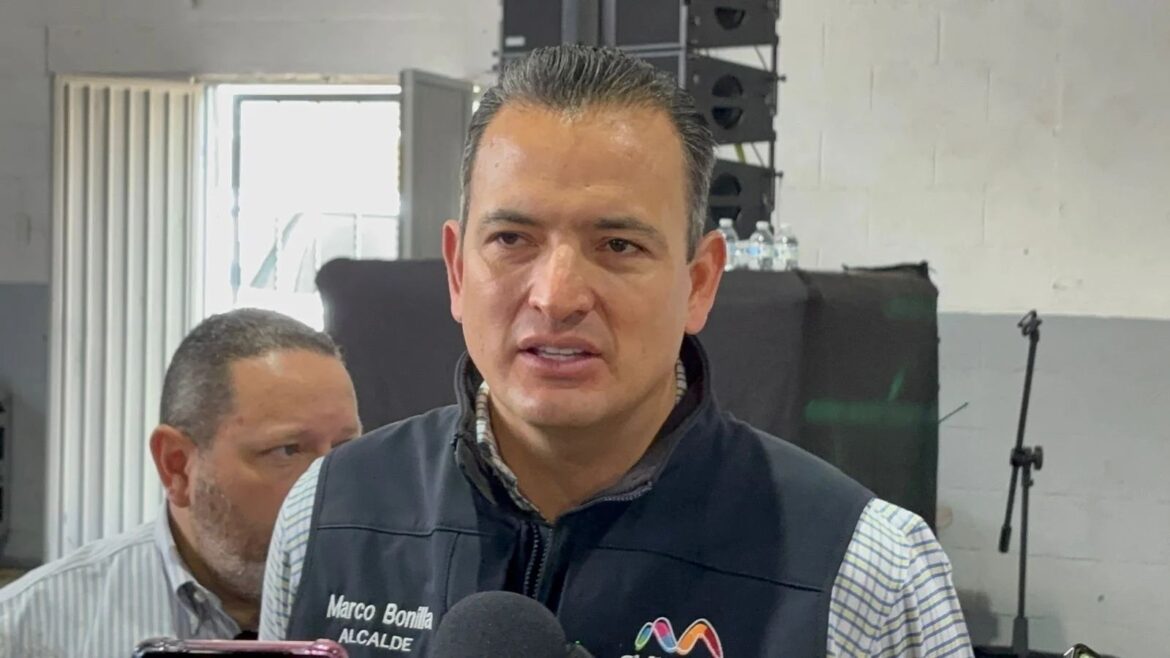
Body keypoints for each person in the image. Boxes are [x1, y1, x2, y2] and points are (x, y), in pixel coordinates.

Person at [260, 45, 972, 657]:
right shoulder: (327, 516)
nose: (557, 296)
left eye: (619, 245)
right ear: (456, 270)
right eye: (512, 239)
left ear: (699, 283)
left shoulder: (863, 573)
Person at [0, 308, 361, 657]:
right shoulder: (25, 632)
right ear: (177, 466)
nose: (331, 491)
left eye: (346, 450)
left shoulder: (388, 600)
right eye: (287, 451)